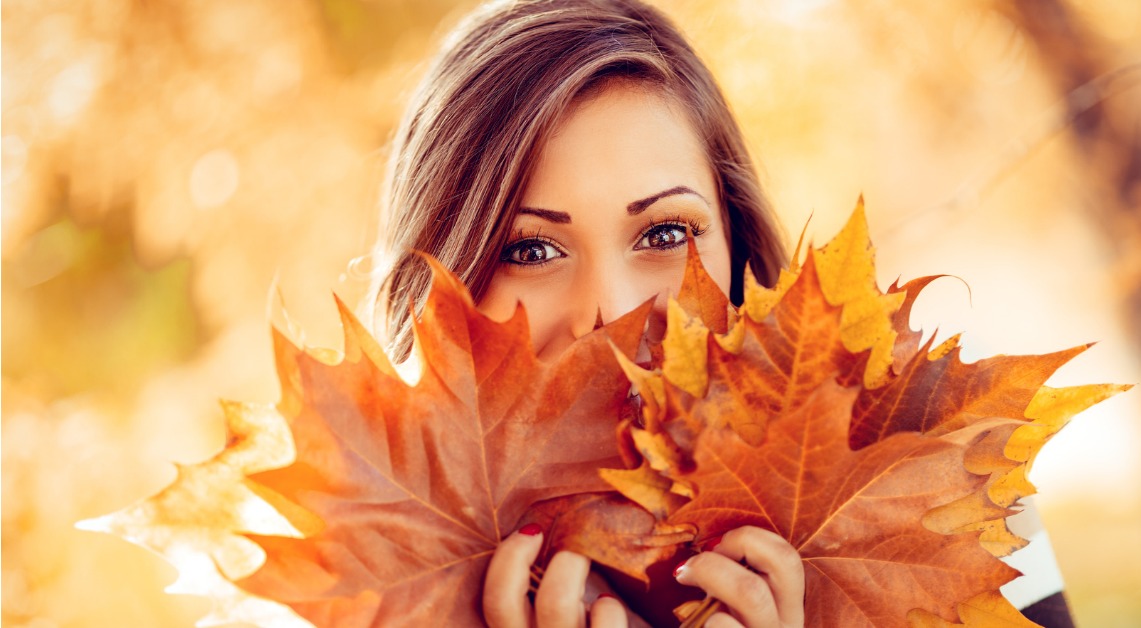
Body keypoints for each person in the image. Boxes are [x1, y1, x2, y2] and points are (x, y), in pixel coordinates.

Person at [369, 1, 1071, 626]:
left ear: (736, 246)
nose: (612, 314)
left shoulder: (920, 458)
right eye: (530, 249)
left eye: (665, 235)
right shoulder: (366, 579)